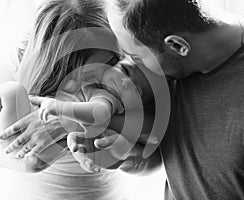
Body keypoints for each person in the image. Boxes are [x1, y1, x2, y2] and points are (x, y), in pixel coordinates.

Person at [0, 0, 154, 199]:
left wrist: (70, 121)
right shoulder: (16, 66)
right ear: (54, 66)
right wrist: (27, 165)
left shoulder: (127, 81)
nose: (93, 81)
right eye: (81, 74)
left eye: (108, 63)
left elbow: (150, 157)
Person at [77, 0, 244, 199]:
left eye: (136, 56)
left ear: (177, 45)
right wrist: (125, 155)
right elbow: (177, 162)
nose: (129, 65)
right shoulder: (171, 73)